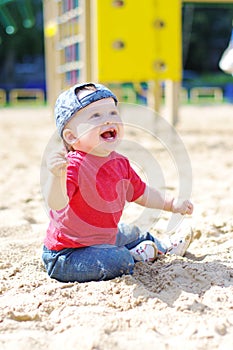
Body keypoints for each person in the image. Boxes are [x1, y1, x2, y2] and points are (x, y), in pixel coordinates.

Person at [41, 82, 194, 283]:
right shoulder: (71, 167)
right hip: (68, 254)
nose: (108, 120)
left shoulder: (120, 163)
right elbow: (56, 202)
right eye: (96, 116)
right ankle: (135, 255)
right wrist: (57, 176)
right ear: (72, 136)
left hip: (105, 237)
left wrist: (171, 203)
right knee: (119, 260)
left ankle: (163, 247)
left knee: (135, 231)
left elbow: (141, 193)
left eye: (113, 113)